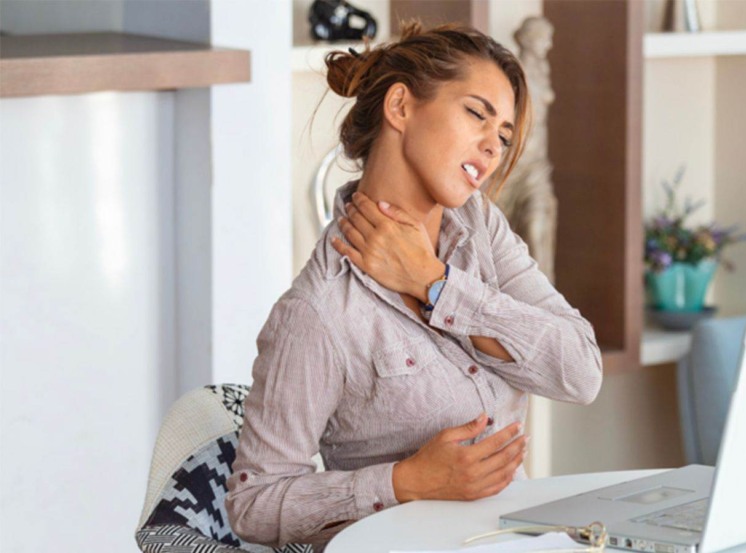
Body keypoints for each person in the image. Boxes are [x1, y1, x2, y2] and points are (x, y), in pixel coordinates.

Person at [225, 20, 603, 551]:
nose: (492, 148)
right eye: (476, 114)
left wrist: (436, 284)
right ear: (400, 107)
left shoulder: (482, 230)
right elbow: (254, 505)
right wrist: (404, 483)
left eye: (503, 136)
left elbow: (581, 373)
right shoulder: (318, 311)